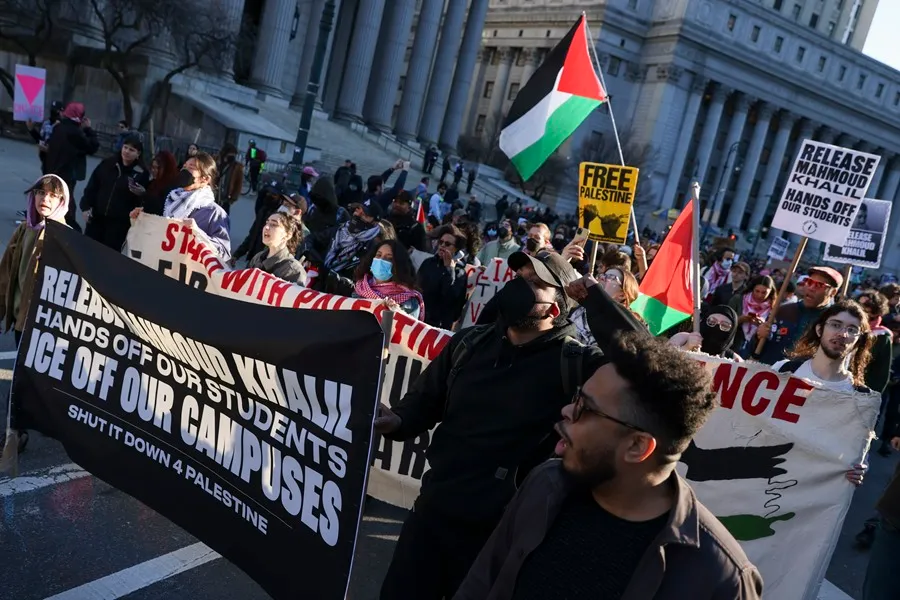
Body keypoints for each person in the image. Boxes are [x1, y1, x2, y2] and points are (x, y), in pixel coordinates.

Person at [454, 332, 763, 600]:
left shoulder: (721, 577)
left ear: (637, 446)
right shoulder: (545, 484)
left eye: (585, 408)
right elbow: (479, 585)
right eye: (577, 398)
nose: (567, 411)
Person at [376, 250, 603, 600]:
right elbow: (425, 400)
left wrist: (599, 303)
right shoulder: (469, 343)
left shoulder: (575, 362)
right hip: (434, 510)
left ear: (555, 309)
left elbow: (648, 373)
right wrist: (398, 419)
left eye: (534, 282)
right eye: (519, 277)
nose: (519, 285)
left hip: (502, 533)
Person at [0, 175, 71, 454]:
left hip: (41, 323)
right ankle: (16, 431)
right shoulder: (25, 229)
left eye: (52, 195)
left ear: (62, 201)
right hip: (20, 319)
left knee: (24, 380)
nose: (45, 199)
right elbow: (6, 273)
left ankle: (16, 434)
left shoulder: (63, 237)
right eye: (41, 193)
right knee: (24, 379)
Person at [133, 152, 231, 260]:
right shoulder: (171, 200)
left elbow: (224, 254)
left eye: (191, 167)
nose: (184, 170)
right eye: (184, 167)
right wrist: (142, 216)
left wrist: (198, 233)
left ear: (205, 179)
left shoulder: (214, 213)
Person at [754, 266, 841, 365]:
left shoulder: (834, 321)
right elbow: (756, 351)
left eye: (819, 285)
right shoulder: (782, 311)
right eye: (809, 282)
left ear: (833, 292)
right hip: (772, 370)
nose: (811, 288)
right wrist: (759, 336)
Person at [81, 135, 149, 251]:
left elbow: (142, 202)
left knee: (108, 255)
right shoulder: (108, 164)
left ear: (138, 154)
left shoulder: (141, 173)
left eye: (131, 150)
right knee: (87, 251)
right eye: (125, 147)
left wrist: (143, 194)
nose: (127, 151)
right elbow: (93, 186)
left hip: (118, 224)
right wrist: (85, 207)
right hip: (96, 217)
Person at [44, 101, 99, 231]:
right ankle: (68, 227)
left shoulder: (59, 127)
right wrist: (88, 129)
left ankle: (54, 224)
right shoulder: (74, 131)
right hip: (67, 171)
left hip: (54, 169)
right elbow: (92, 147)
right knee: (66, 201)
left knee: (58, 198)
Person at [353, 240, 424, 319]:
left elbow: (406, 325)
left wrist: (395, 311)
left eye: (389, 258)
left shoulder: (409, 301)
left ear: (399, 265)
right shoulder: (360, 288)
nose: (381, 260)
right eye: (378, 255)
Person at [417, 224, 469, 330]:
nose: (442, 246)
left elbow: (452, 301)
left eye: (447, 244)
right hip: (420, 319)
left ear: (456, 249)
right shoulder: (428, 263)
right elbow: (416, 288)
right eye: (441, 242)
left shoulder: (459, 273)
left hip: (439, 327)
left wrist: (449, 270)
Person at [247, 212, 306, 285]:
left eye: (274, 224)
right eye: (267, 223)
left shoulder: (293, 269)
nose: (266, 227)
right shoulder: (257, 258)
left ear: (288, 235)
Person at [669, 306, 742, 360]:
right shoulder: (681, 339)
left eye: (724, 325)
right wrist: (686, 347)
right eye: (712, 321)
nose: (716, 327)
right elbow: (665, 362)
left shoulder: (733, 359)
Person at [729, 275, 776, 355]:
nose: (760, 295)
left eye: (764, 292)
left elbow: (773, 332)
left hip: (755, 349)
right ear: (752, 289)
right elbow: (726, 320)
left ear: (770, 292)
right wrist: (740, 319)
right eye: (757, 291)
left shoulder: (774, 308)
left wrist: (762, 326)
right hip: (733, 343)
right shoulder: (738, 299)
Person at [134, 150, 179, 216]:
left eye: (157, 168)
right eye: (152, 167)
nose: (153, 170)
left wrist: (145, 195)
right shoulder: (153, 182)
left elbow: (161, 207)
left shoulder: (173, 188)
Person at [215, 143, 244, 215]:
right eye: (230, 155)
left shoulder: (237, 167)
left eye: (234, 155)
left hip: (225, 198)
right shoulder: (215, 161)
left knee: (223, 217)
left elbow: (239, 183)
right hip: (211, 195)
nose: (232, 157)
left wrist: (233, 197)